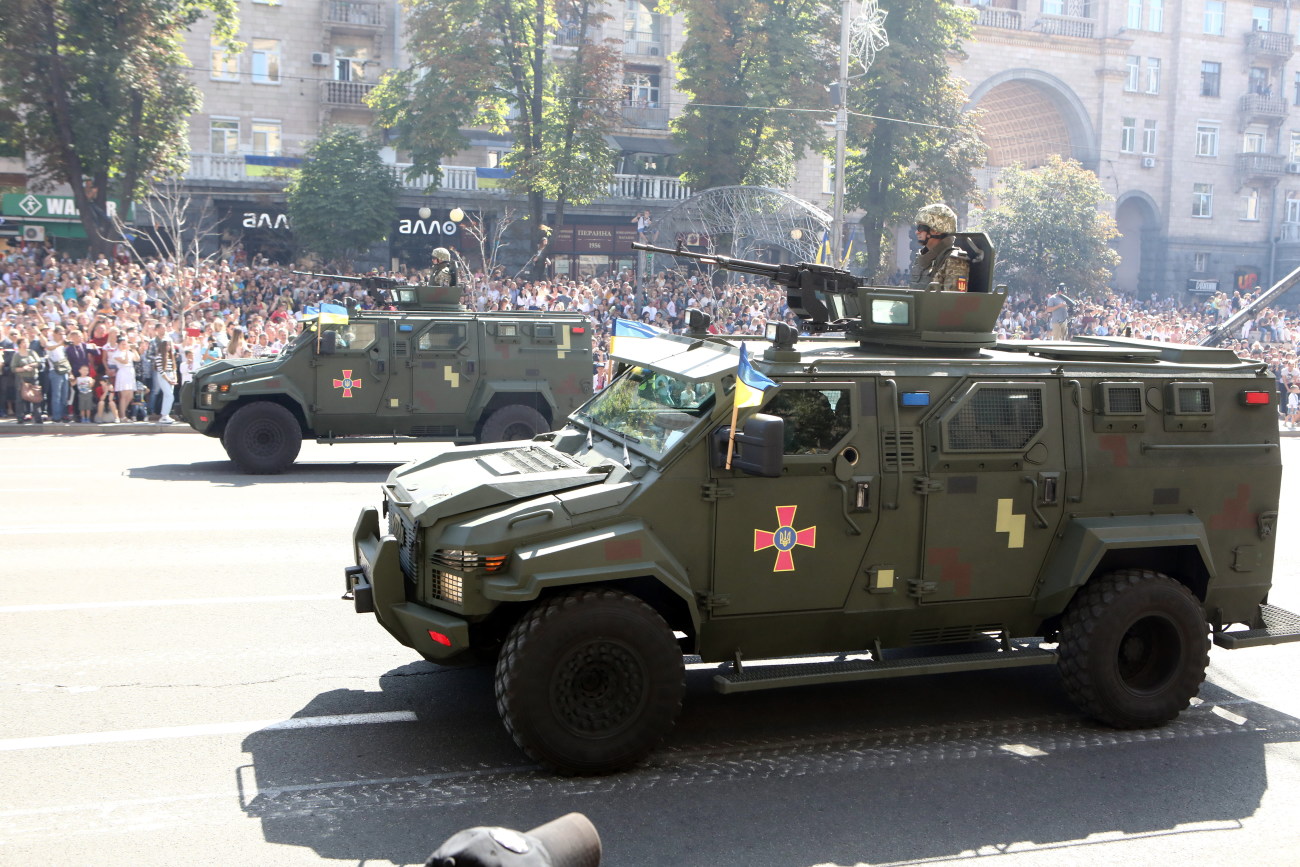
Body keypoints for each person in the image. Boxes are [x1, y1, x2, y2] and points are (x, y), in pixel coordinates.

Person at [908, 203, 970, 292]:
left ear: (936, 231)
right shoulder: (922, 258)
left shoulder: (955, 260)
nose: (917, 232)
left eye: (921, 228)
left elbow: (953, 302)